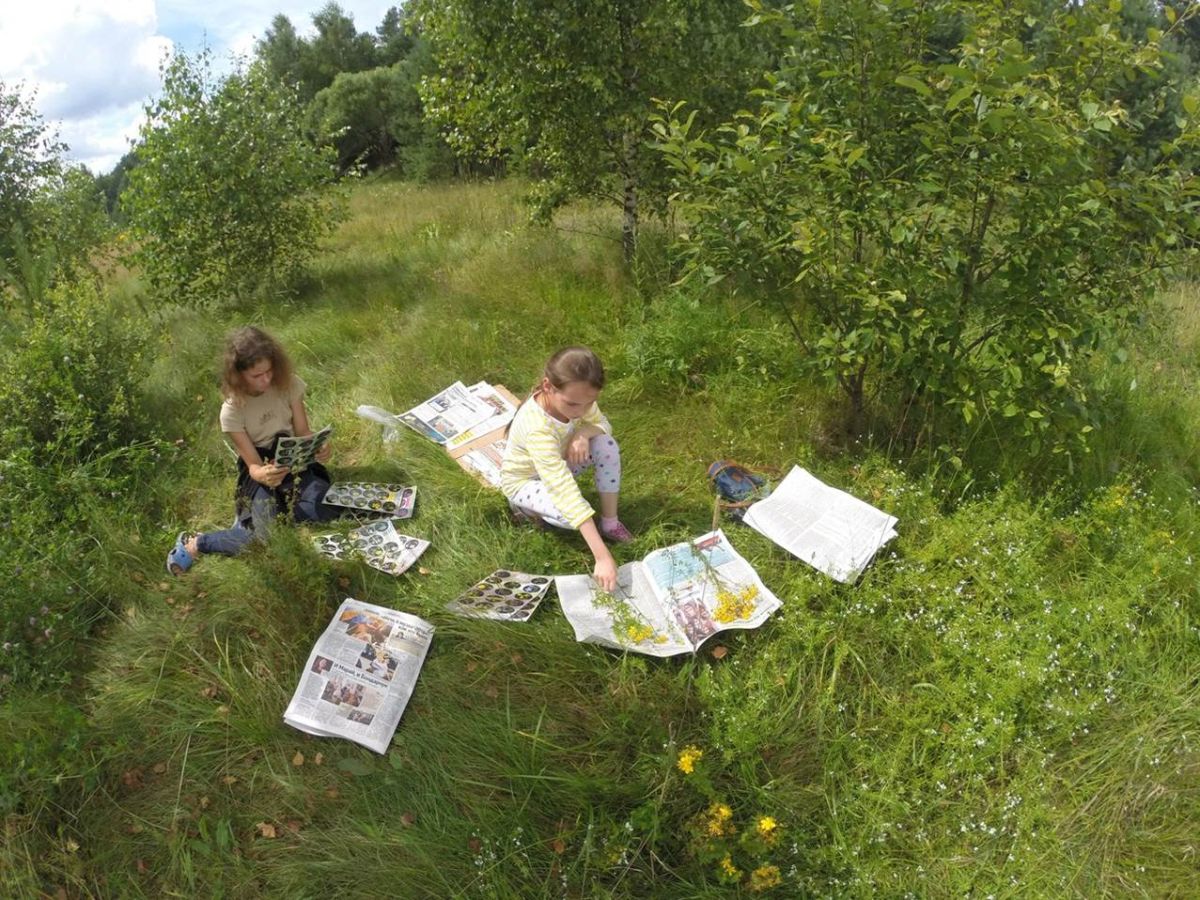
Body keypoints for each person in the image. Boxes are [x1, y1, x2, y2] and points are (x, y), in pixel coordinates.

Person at [166, 326, 340, 575]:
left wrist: (319, 447)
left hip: (295, 463)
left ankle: (259, 519)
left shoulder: (287, 384)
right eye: (256, 376)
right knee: (265, 542)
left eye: (269, 371)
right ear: (238, 376)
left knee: (325, 508)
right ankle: (199, 543)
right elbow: (253, 467)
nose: (266, 380)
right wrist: (264, 475)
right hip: (261, 474)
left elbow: (302, 430)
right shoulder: (232, 410)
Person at [500, 346, 632, 591]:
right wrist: (602, 556)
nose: (581, 411)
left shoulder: (579, 397)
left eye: (589, 402)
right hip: (525, 481)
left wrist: (583, 432)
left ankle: (610, 522)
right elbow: (562, 489)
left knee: (606, 444)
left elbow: (602, 424)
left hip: (558, 462)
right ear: (548, 386)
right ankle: (523, 508)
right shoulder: (537, 428)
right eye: (573, 405)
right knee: (569, 513)